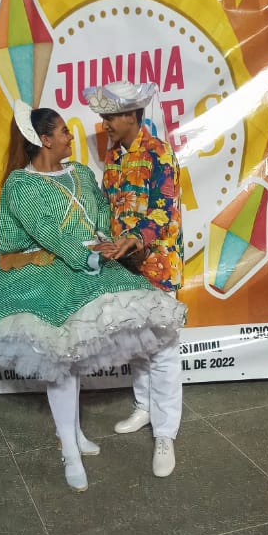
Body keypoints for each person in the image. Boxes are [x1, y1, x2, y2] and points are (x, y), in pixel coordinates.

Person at [0, 102, 186, 492]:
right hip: (44, 276)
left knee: (139, 337)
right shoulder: (21, 185)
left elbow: (102, 212)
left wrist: (106, 243)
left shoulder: (83, 173)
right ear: (44, 140)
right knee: (61, 361)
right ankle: (69, 449)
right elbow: (47, 232)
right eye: (62, 131)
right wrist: (87, 255)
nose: (70, 135)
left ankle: (125, 431)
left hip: (92, 270)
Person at [85, 81, 184, 478]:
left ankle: (166, 433)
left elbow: (162, 211)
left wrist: (135, 239)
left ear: (131, 115)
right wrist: (103, 239)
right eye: (103, 117)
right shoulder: (114, 157)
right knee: (137, 344)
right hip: (125, 269)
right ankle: (144, 407)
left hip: (157, 266)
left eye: (110, 116)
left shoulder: (160, 153)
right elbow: (111, 208)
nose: (105, 123)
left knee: (163, 350)